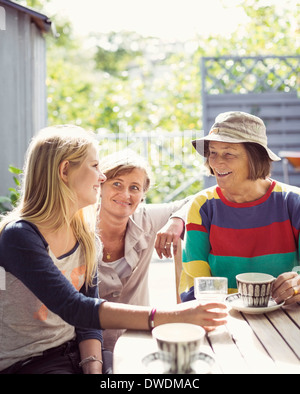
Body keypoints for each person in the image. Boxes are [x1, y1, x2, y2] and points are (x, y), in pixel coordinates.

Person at [0, 125, 227, 374]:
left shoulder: (84, 234)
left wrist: (94, 366)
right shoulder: (19, 235)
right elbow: (75, 307)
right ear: (65, 170)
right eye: (95, 166)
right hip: (31, 363)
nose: (101, 177)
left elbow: (86, 321)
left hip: (78, 354)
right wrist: (173, 315)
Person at [180, 111, 300, 306]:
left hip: (286, 314)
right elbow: (196, 286)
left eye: (228, 153)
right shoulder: (202, 206)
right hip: (223, 314)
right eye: (212, 152)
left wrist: (297, 285)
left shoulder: (293, 202)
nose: (217, 162)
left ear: (256, 158)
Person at [97, 149, 193, 351]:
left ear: (142, 195)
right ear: (100, 186)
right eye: (117, 184)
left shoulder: (146, 219)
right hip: (85, 346)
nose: (125, 194)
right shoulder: (77, 227)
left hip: (136, 341)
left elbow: (193, 201)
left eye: (134, 187)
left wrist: (176, 221)